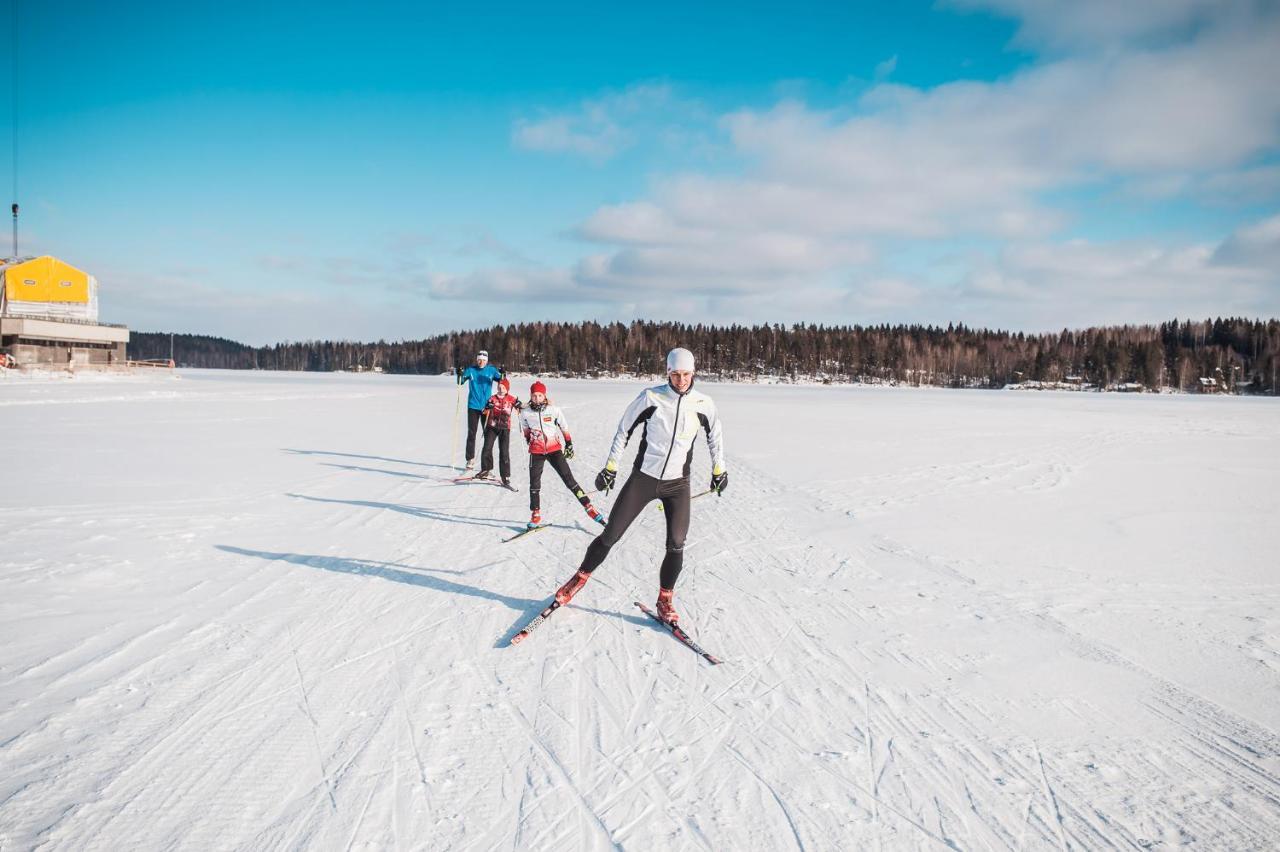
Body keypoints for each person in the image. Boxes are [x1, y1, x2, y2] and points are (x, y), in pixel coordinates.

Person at [552, 347, 726, 624]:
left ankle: (665, 600)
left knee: (676, 544)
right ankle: (578, 578)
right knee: (610, 536)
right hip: (644, 479)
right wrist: (610, 467)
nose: (681, 380)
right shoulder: (651, 397)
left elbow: (714, 436)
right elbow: (624, 430)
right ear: (667, 373)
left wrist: (720, 469)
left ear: (694, 373)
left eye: (686, 374)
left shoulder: (704, 404)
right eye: (675, 374)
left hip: (678, 484)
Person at [518, 380, 606, 529]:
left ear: (544, 395)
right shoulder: (525, 412)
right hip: (536, 452)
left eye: (539, 395)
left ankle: (589, 507)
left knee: (569, 480)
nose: (537, 398)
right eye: (534, 395)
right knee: (534, 484)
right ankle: (535, 514)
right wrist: (529, 440)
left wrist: (569, 443)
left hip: (554, 451)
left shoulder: (553, 410)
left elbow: (564, 427)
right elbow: (525, 429)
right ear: (531, 396)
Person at [456, 350, 503, 470]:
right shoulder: (471, 370)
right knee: (471, 433)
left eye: (483, 360)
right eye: (479, 360)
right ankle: (470, 459)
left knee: (488, 434)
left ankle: (486, 462)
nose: (480, 362)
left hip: (487, 407)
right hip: (473, 406)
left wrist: (503, 373)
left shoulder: (491, 370)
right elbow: (460, 382)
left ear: (486, 361)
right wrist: (459, 374)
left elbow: (502, 381)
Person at [478, 377, 521, 487]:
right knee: (487, 448)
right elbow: (484, 411)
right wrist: (487, 407)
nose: (501, 389)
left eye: (503, 387)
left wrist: (519, 405)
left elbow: (521, 408)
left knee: (504, 452)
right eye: (499, 387)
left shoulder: (511, 399)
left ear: (507, 389)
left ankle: (505, 475)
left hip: (505, 428)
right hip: (492, 427)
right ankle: (486, 469)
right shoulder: (492, 398)